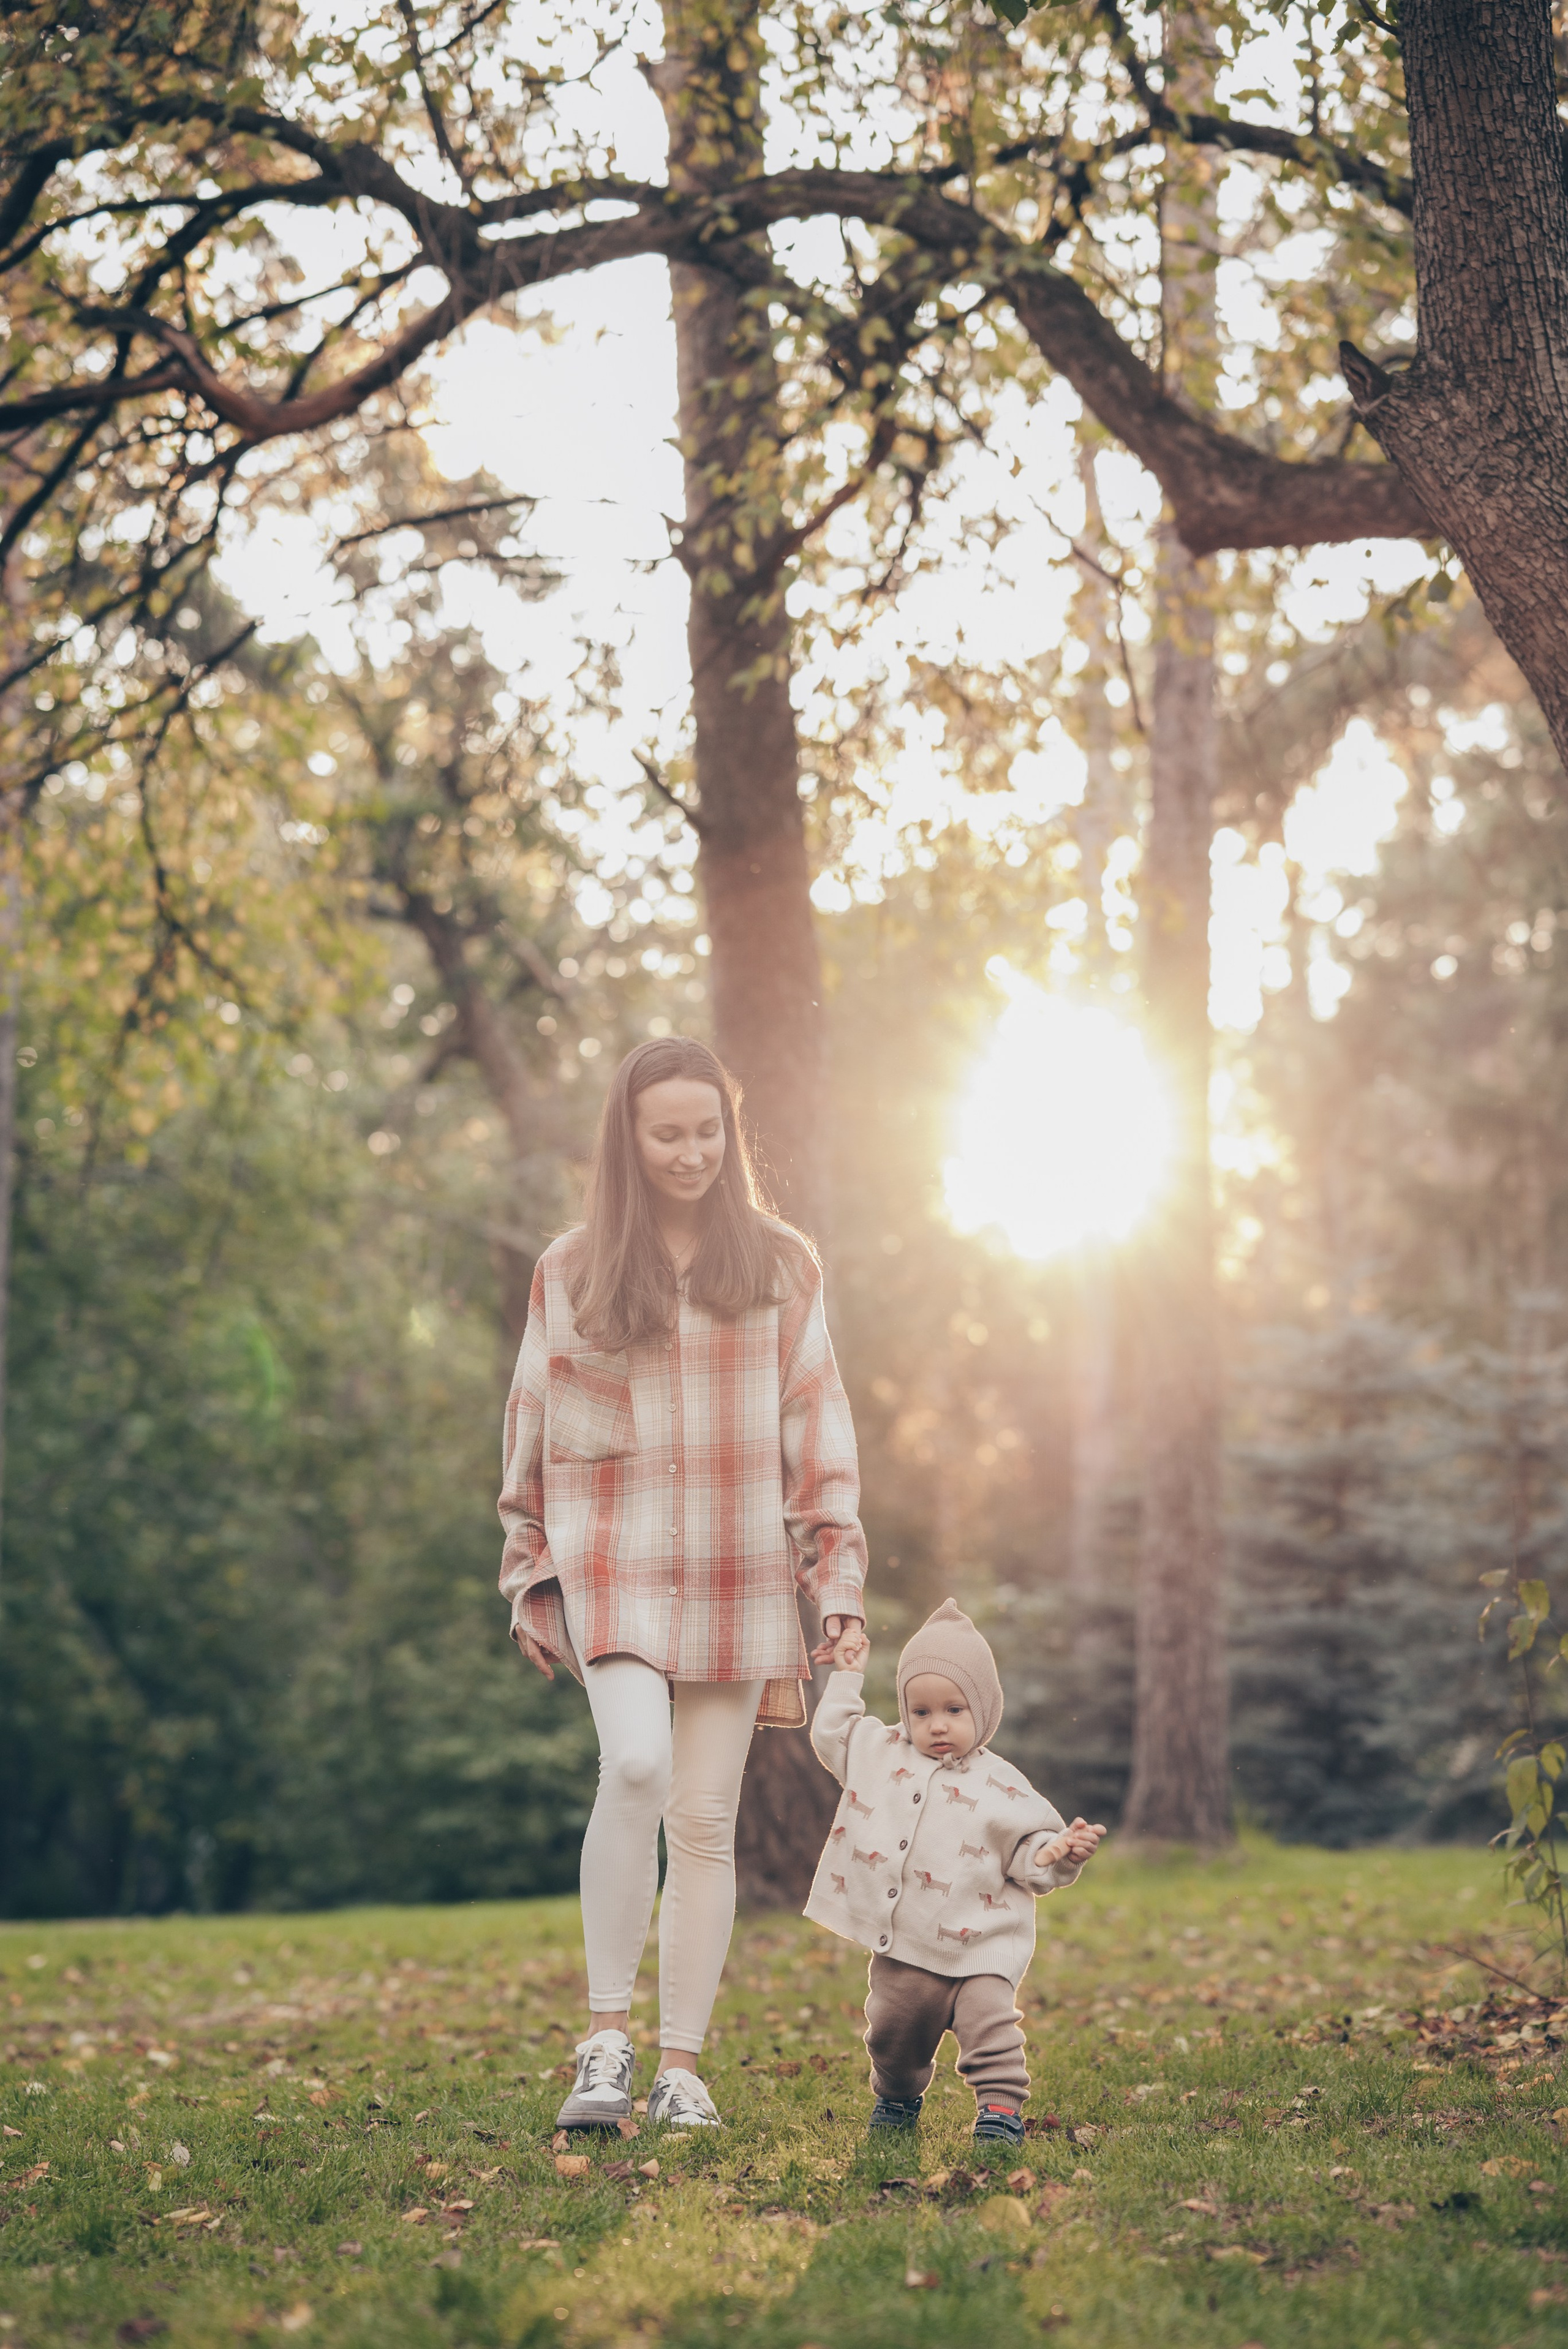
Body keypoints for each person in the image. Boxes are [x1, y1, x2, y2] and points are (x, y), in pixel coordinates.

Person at [499, 1037, 868, 2132]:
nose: (692, 1151)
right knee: (638, 1764)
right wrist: (531, 1573)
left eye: (709, 1131)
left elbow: (820, 1428)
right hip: (611, 1561)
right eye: (668, 1133)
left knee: (706, 1819)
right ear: (629, 1137)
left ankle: (679, 2067)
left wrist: (835, 1579)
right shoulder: (571, 1270)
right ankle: (603, 2042)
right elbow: (531, 1422)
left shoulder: (783, 1267)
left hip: (735, 1564)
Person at [804, 1597, 1106, 2147]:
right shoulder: (880, 1752)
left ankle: (999, 2110)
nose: (937, 1725)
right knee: (894, 2033)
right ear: (905, 1711)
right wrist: (847, 1675)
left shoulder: (1003, 1785)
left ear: (983, 1711)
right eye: (921, 1712)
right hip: (906, 1944)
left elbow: (1030, 1850)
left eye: (954, 1710)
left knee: (991, 2027)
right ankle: (897, 2099)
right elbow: (833, 1734)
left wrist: (1059, 1852)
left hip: (983, 1944)